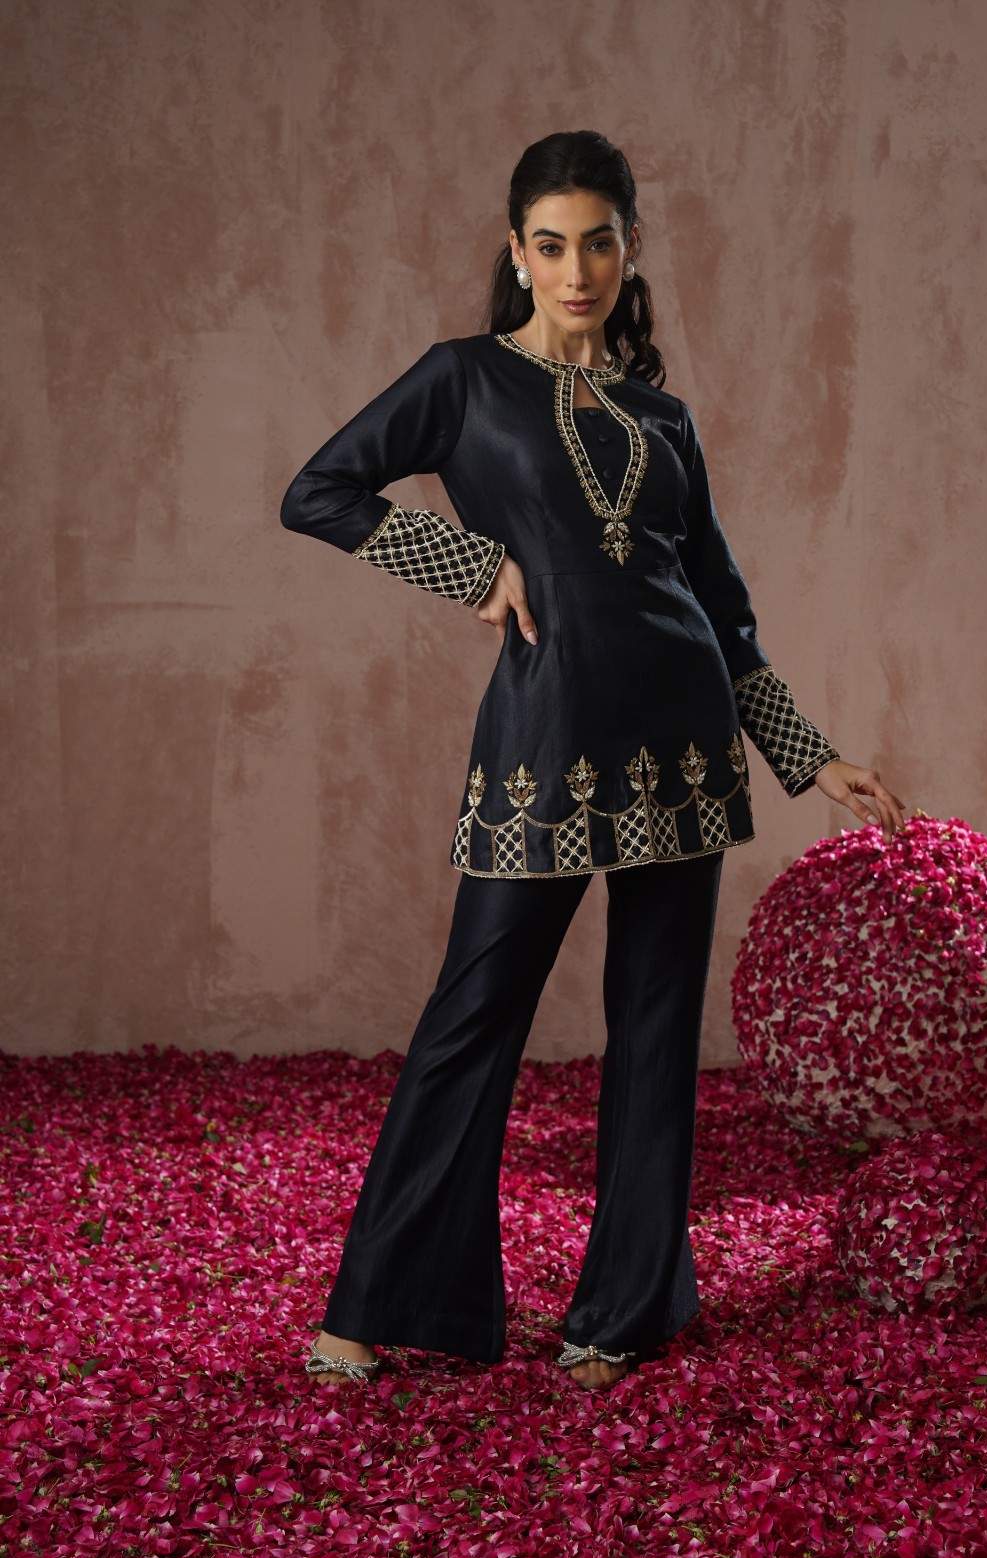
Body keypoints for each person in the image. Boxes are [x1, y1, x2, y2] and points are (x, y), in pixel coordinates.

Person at [278, 130, 907, 1393]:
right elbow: (319, 490)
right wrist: (474, 566)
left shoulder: (661, 417)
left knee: (655, 1029)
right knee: (472, 1014)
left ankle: (620, 1312)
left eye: (600, 243)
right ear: (516, 253)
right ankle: (379, 1303)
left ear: (629, 251)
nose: (577, 271)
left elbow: (719, 606)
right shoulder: (461, 380)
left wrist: (810, 756)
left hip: (685, 747)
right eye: (552, 246)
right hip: (547, 744)